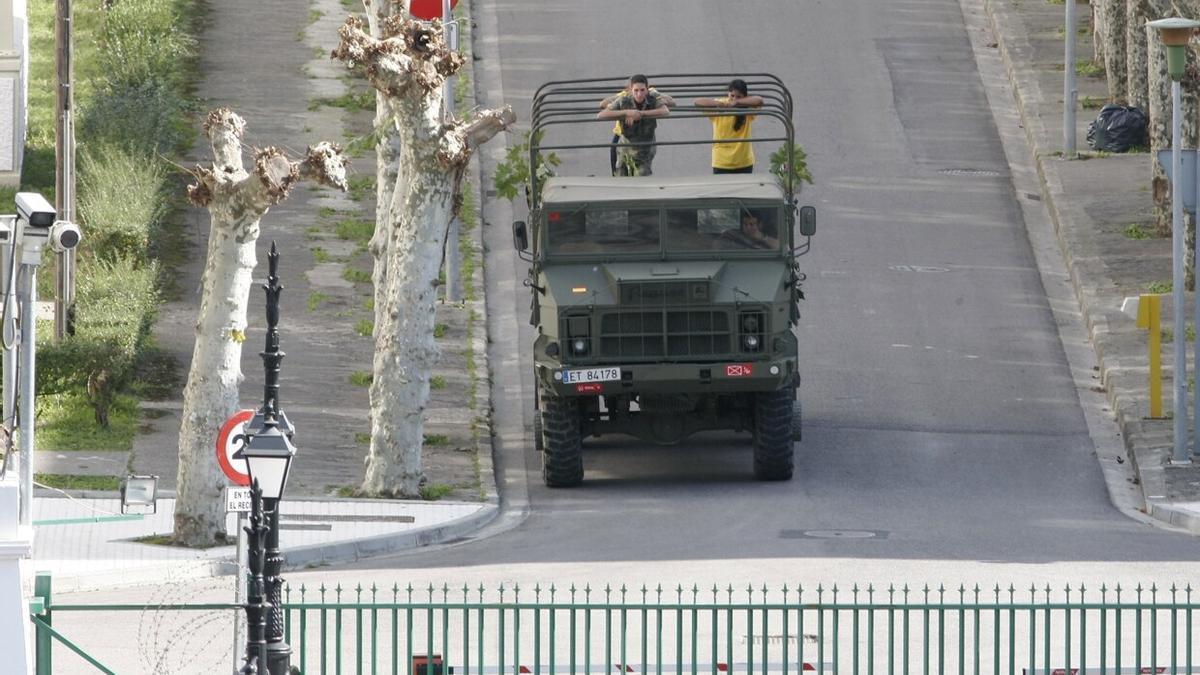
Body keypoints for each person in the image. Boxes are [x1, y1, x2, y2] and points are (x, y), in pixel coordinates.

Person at [598, 74, 671, 176]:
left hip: (644, 150)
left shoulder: (652, 99)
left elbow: (665, 111)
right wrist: (626, 113)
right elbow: (602, 114)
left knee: (641, 177)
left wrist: (640, 114)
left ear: (647, 89)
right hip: (625, 148)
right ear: (630, 90)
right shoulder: (623, 99)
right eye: (636, 90)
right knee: (620, 176)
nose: (639, 94)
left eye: (642, 90)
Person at [694, 79, 764, 174]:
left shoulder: (747, 108)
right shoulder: (722, 105)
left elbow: (759, 100)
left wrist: (738, 103)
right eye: (732, 95)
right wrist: (719, 104)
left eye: (738, 96)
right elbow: (697, 102)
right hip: (722, 162)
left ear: (744, 97)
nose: (734, 99)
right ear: (728, 94)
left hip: (743, 161)